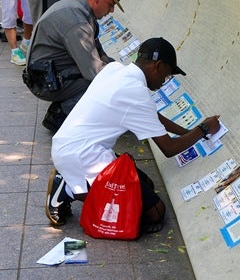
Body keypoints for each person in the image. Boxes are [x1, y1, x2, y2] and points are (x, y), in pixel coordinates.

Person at [46, 37, 221, 233]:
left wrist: (188, 132)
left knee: (146, 184)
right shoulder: (136, 91)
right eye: (168, 74)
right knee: (155, 213)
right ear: (158, 65)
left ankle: (73, 180)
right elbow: (169, 149)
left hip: (70, 146)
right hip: (83, 157)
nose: (165, 80)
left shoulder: (115, 69)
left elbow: (152, 116)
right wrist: (204, 130)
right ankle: (70, 189)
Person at [22, 0, 129, 133]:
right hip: (44, 82)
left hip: (51, 73)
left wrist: (123, 73)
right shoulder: (76, 21)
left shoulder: (79, 10)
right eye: (111, 5)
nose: (111, 11)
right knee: (101, 81)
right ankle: (61, 114)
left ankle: (65, 106)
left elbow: (101, 56)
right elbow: (94, 71)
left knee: (110, 73)